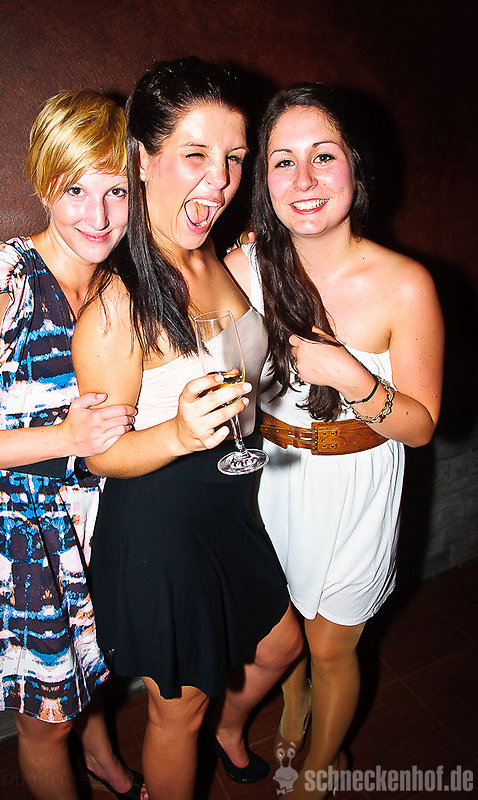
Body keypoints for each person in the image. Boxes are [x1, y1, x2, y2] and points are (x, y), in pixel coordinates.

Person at [72, 57, 303, 800]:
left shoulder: (213, 256)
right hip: (162, 527)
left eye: (233, 158)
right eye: (195, 155)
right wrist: (175, 433)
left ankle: (231, 733)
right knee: (180, 711)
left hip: (230, 506)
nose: (219, 181)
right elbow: (100, 457)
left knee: (281, 646)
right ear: (142, 159)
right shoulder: (117, 304)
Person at [225, 82, 444, 798]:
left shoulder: (404, 284)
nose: (304, 179)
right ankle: (292, 703)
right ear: (263, 181)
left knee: (331, 645)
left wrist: (350, 374)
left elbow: (420, 426)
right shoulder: (243, 270)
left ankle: (320, 766)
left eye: (323, 156)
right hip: (274, 478)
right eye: (282, 162)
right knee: (283, 629)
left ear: (355, 164)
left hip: (357, 487)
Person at [0, 90, 146, 800]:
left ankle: (105, 763)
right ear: (41, 184)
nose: (98, 216)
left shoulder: (119, 282)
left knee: (90, 675)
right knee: (45, 726)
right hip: (14, 535)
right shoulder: (0, 279)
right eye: (75, 190)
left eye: (116, 190)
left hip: (94, 520)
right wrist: (63, 436)